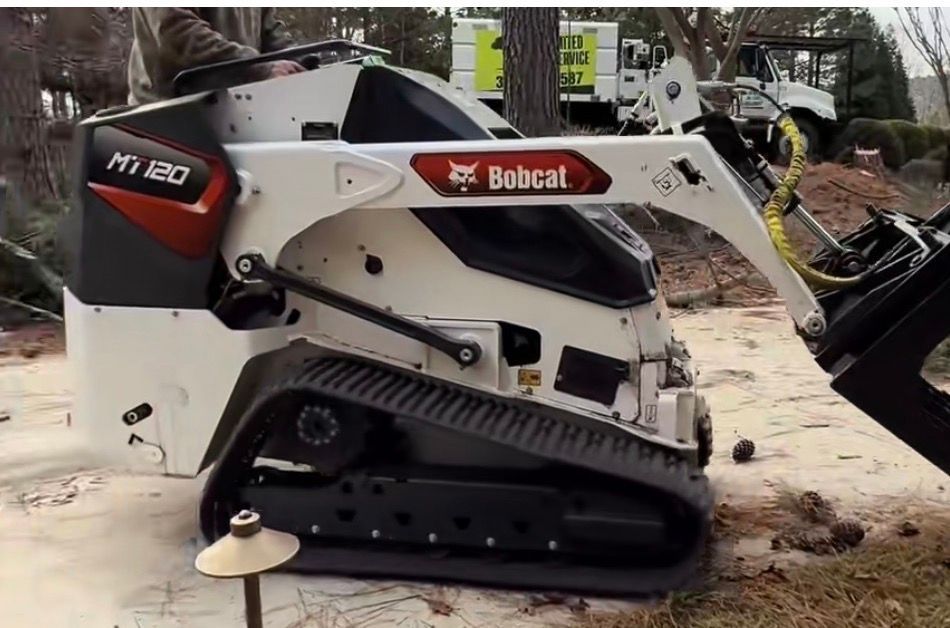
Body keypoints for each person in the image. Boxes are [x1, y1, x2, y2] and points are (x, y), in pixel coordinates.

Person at [127, 8, 304, 105]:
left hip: (236, 106)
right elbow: (177, 33)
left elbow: (269, 32)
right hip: (170, 112)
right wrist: (257, 69)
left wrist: (304, 62)